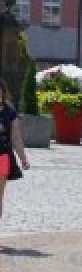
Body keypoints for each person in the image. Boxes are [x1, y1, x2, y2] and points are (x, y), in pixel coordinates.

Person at [0, 82, 33, 228]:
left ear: (3, 93)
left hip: (3, 157)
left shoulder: (10, 112)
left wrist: (23, 159)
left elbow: (16, 138)